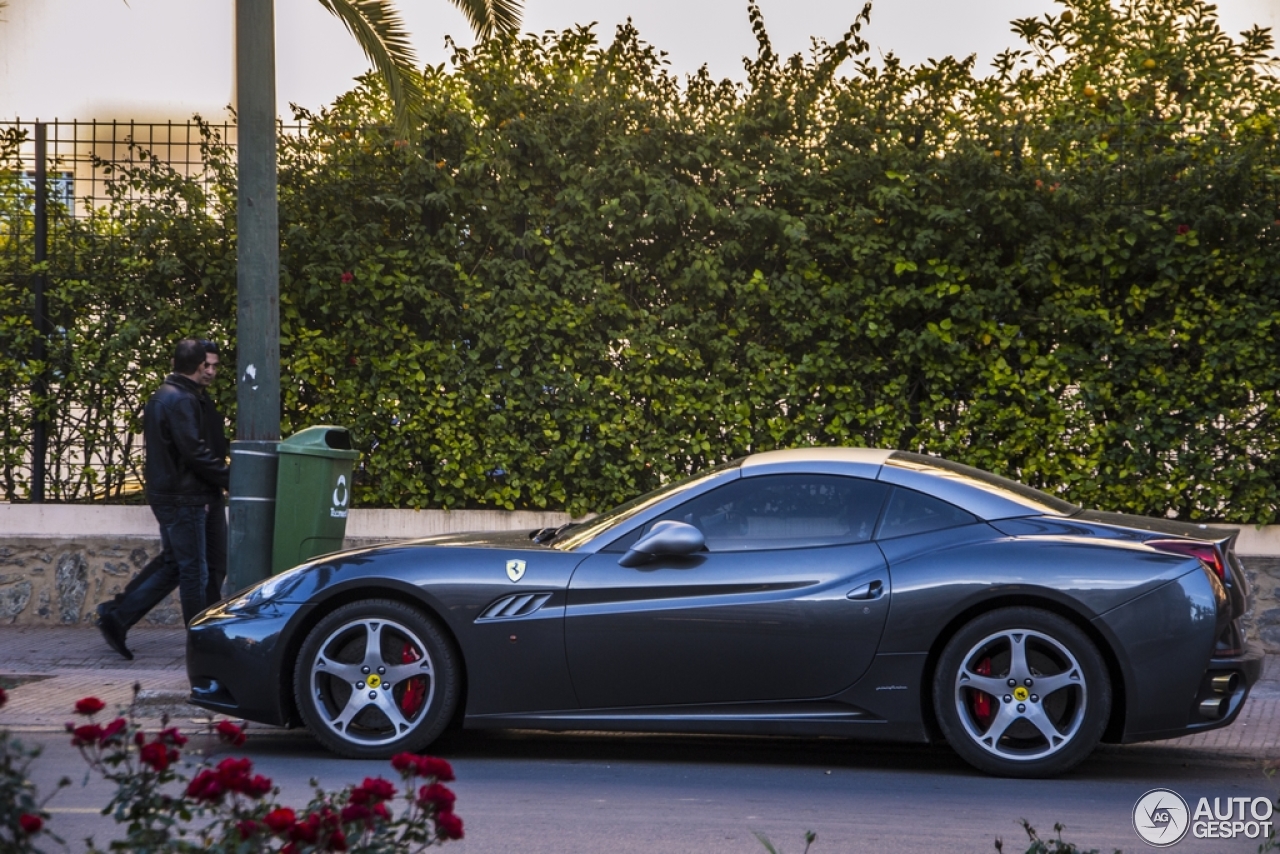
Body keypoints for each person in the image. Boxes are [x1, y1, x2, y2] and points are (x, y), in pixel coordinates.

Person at [96, 338, 230, 659]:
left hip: (182, 495)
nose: (211, 371)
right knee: (196, 572)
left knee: (180, 565)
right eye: (207, 365)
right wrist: (231, 479)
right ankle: (202, 643)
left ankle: (117, 616)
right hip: (186, 498)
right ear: (198, 365)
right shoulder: (180, 400)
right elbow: (194, 452)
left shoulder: (175, 396)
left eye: (215, 365)